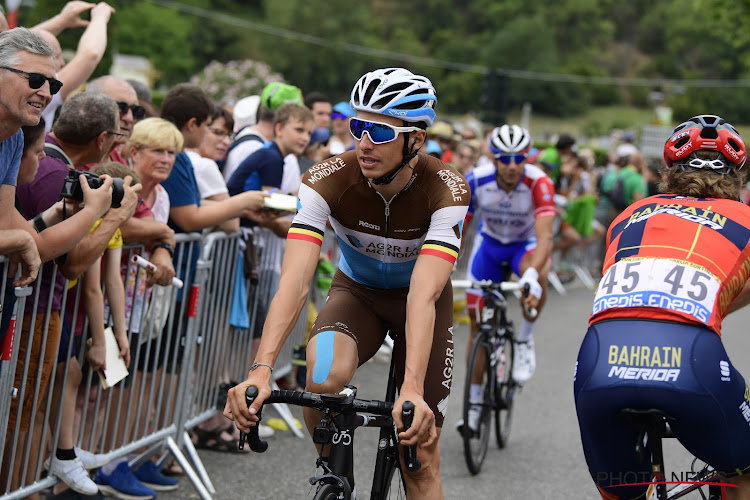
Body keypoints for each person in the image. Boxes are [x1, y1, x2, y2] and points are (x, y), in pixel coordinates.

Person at [225, 67, 470, 499]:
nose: (365, 141)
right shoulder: (326, 179)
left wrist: (411, 387)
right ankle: (337, 475)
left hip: (421, 303)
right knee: (322, 378)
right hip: (357, 294)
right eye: (358, 126)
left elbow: (423, 292)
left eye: (379, 130)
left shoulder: (446, 189)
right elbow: (295, 283)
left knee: (421, 454)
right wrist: (260, 371)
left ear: (415, 139)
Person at [574, 115, 750, 500]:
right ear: (738, 179)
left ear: (668, 172)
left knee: (624, 492)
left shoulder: (627, 217)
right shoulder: (745, 220)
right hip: (691, 361)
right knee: (745, 471)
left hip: (599, 360)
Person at [460, 124, 555, 433]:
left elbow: (545, 239)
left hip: (523, 247)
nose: (513, 166)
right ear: (494, 158)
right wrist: (443, 265)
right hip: (489, 247)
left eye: (519, 158)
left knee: (541, 270)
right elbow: (458, 231)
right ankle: (473, 410)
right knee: (477, 330)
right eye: (505, 159)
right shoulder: (476, 180)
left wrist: (529, 274)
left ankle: (525, 338)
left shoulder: (539, 182)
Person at [0, 27, 59, 290]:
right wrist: (22, 242)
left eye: (53, 84)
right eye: (35, 79)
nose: (46, 93)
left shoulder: (15, 138)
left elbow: (2, 227)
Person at [34, 1, 115, 131]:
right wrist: (100, 18)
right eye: (57, 56)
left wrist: (61, 21)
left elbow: (12, 42)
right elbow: (90, 55)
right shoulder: (38, 89)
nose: (62, 63)